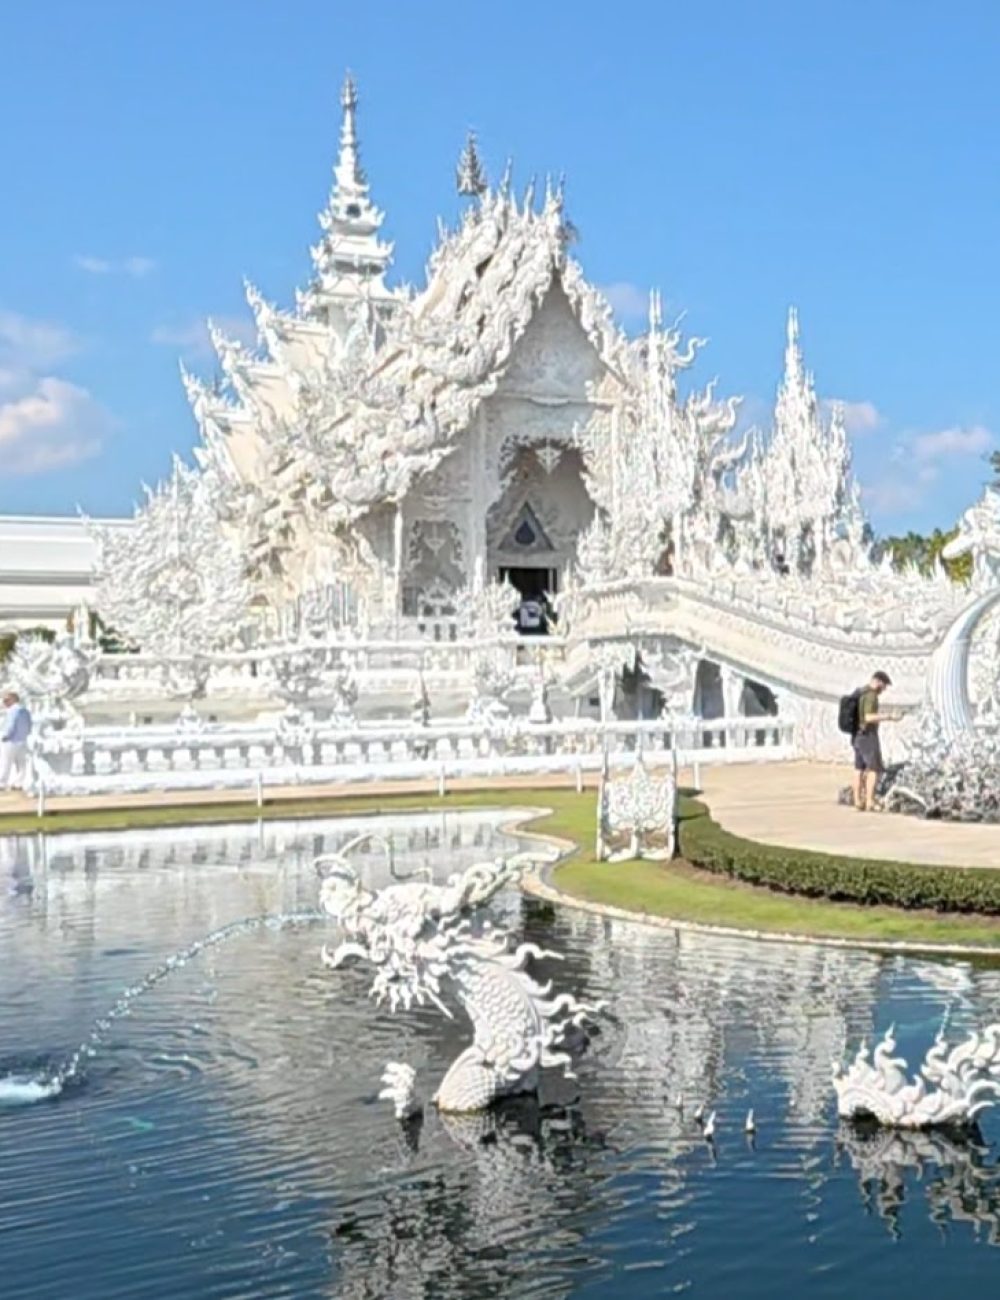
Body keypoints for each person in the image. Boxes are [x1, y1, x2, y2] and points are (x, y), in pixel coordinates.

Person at [850, 670, 895, 812]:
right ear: (878, 682)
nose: (884, 689)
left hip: (856, 736)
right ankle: (869, 801)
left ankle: (857, 801)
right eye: (884, 686)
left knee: (858, 769)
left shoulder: (860, 692)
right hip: (867, 736)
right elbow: (868, 717)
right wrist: (888, 717)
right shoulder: (871, 696)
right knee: (874, 769)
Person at [0, 691, 33, 793]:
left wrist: (4, 736)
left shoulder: (13, 711)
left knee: (5, 763)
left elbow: (11, 725)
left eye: (6, 700)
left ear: (13, 700)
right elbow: (29, 725)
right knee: (21, 764)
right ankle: (18, 783)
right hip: (22, 740)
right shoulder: (25, 711)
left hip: (11, 740)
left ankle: (2, 783)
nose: (4, 702)